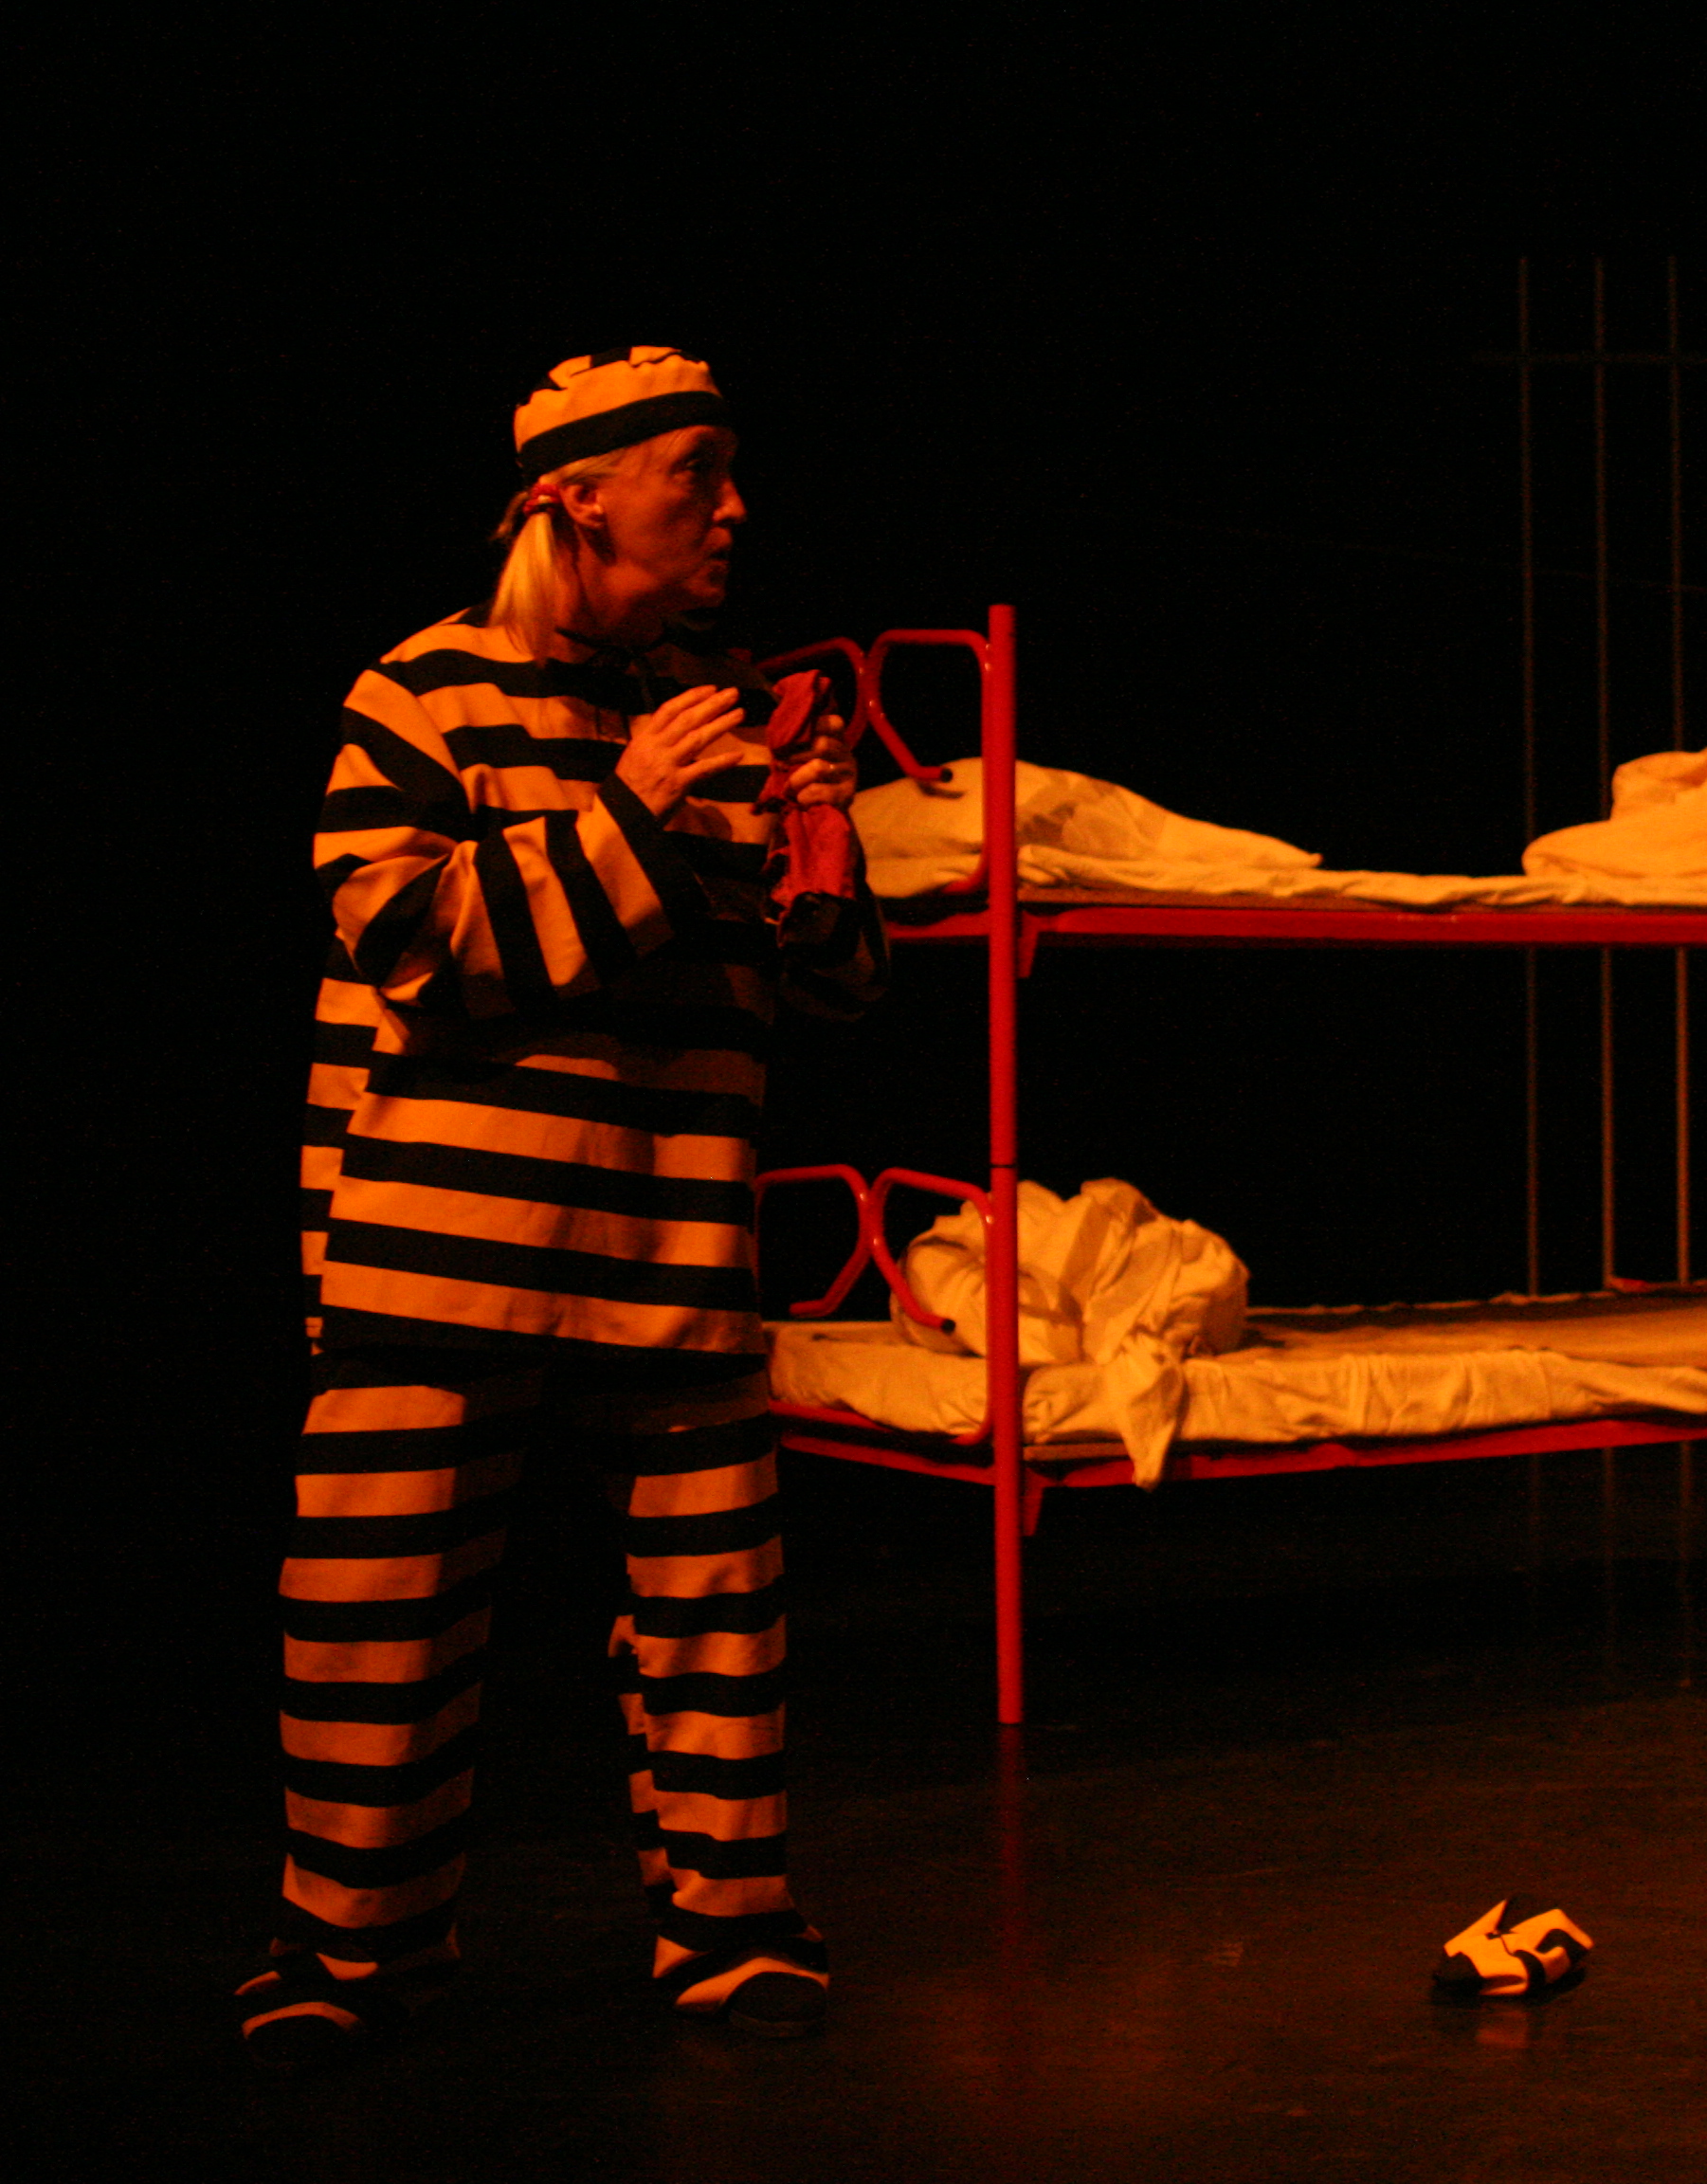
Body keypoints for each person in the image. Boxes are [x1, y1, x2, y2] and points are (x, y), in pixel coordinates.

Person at [241, 347, 887, 2068]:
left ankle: (728, 1925)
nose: (734, 508)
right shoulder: (420, 692)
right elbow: (415, 947)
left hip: (672, 1232)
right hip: (439, 1248)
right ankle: (351, 1951)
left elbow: (820, 990)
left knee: (717, 1608)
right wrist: (635, 810)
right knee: (377, 1613)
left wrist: (822, 844)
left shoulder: (721, 703)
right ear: (578, 498)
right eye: (698, 471)